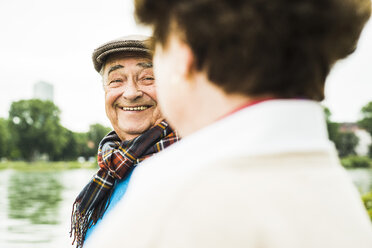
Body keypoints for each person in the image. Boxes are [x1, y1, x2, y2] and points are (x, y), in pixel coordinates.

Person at [87, 1, 372, 248]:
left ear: (183, 54)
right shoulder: (340, 199)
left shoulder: (164, 207)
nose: (132, 91)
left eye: (157, 57)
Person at [70, 35, 179, 248]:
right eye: (116, 80)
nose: (130, 93)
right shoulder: (111, 171)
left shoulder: (190, 166)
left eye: (148, 77)